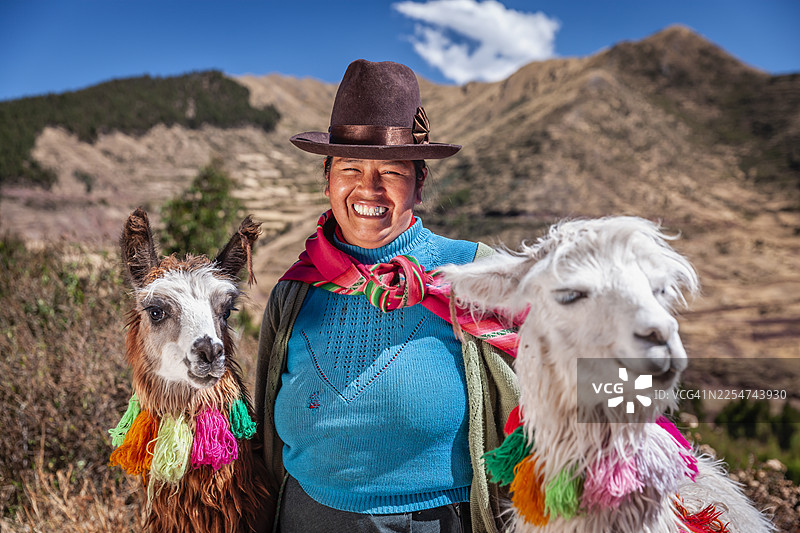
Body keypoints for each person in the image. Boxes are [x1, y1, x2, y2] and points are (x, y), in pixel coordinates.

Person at [254, 59, 519, 533]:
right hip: (305, 516)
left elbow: (564, 368)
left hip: (434, 522)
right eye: (350, 167)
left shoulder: (476, 276)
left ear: (418, 182)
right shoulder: (296, 289)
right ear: (328, 177)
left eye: (392, 172)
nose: (368, 188)